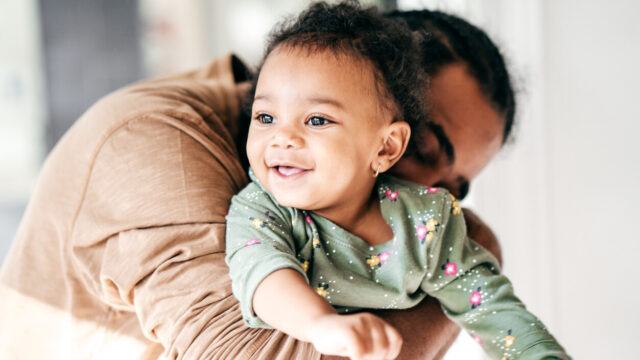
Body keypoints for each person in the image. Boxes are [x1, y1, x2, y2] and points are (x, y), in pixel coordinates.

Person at [0, 3, 511, 360]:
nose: (433, 198)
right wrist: (475, 257)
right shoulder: (154, 141)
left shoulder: (328, 207)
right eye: (419, 151)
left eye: (455, 189)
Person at [225, 2, 569, 360]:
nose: (282, 138)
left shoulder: (429, 222)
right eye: (265, 116)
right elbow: (262, 272)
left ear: (387, 145)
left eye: (316, 121)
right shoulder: (263, 210)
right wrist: (320, 324)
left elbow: (489, 305)